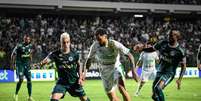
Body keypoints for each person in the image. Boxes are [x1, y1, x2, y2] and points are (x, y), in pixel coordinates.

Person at [84, 28, 139, 101]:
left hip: (116, 67)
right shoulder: (95, 46)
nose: (98, 41)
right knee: (113, 99)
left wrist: (134, 72)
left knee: (121, 88)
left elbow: (130, 55)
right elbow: (89, 60)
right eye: (97, 39)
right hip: (104, 71)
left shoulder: (114, 44)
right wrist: (84, 73)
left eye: (99, 39)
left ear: (105, 37)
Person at [35, 32, 90, 101]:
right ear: (60, 43)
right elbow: (46, 60)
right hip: (62, 83)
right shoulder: (55, 54)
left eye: (67, 42)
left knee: (84, 99)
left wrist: (80, 77)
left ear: (70, 42)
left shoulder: (75, 54)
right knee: (53, 99)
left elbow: (79, 65)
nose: (66, 44)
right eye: (64, 42)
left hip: (74, 82)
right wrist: (40, 64)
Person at [142, 29, 186, 101]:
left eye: (171, 36)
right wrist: (142, 49)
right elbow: (151, 49)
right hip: (160, 71)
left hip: (169, 73)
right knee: (154, 96)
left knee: (158, 88)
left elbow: (183, 66)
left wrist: (180, 79)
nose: (169, 37)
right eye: (169, 35)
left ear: (177, 37)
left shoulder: (180, 51)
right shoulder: (163, 43)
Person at [11, 34, 34, 101]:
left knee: (29, 80)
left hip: (27, 65)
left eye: (28, 39)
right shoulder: (19, 46)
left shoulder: (30, 46)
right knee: (21, 79)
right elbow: (12, 55)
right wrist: (12, 64)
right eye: (26, 39)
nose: (27, 40)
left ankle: (29, 97)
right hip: (20, 65)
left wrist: (31, 63)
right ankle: (16, 94)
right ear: (24, 39)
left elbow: (30, 55)